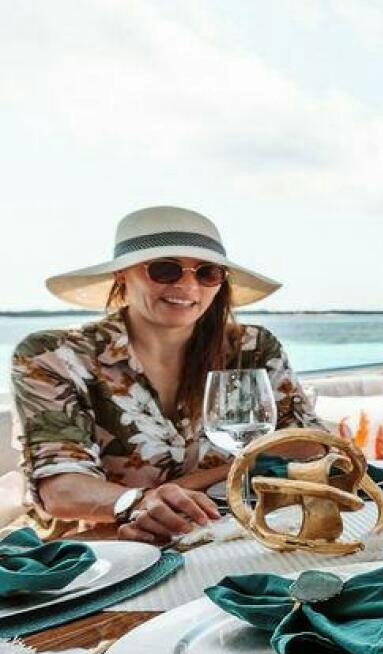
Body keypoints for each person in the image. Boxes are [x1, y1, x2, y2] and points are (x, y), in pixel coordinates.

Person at [10, 206, 322, 542]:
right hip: (97, 551)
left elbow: (313, 446)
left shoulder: (253, 347)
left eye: (206, 273)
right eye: (164, 269)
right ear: (121, 275)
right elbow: (62, 491)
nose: (188, 285)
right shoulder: (53, 355)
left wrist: (180, 489)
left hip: (224, 532)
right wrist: (137, 503)